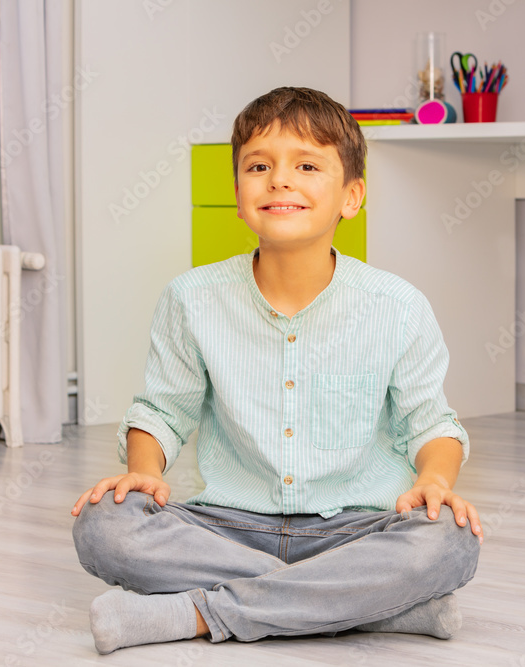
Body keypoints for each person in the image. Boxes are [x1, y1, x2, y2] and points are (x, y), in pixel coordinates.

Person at [70, 87, 483, 655]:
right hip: (227, 524)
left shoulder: (398, 305)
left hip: (355, 528)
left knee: (449, 541)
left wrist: (434, 482)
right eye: (258, 166)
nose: (279, 180)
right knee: (103, 524)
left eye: (307, 166)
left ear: (351, 196)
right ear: (239, 194)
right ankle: (371, 606)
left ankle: (197, 613)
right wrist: (144, 471)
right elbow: (163, 410)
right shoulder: (192, 298)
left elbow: (431, 424)